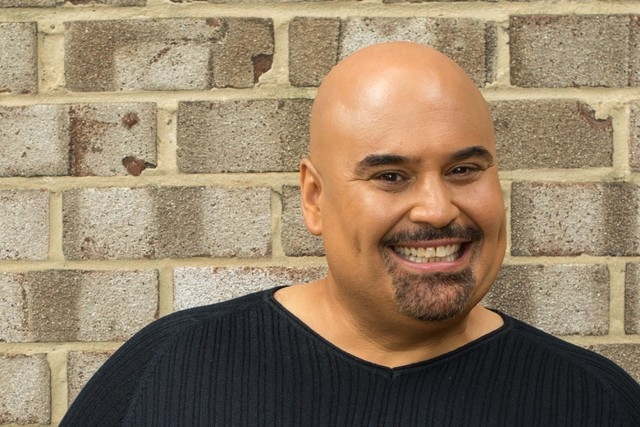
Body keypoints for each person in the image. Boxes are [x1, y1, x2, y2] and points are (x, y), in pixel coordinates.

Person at [61, 42, 640, 426]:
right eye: (391, 176)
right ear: (315, 198)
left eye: (464, 170)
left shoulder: (595, 403)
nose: (437, 209)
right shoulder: (171, 373)